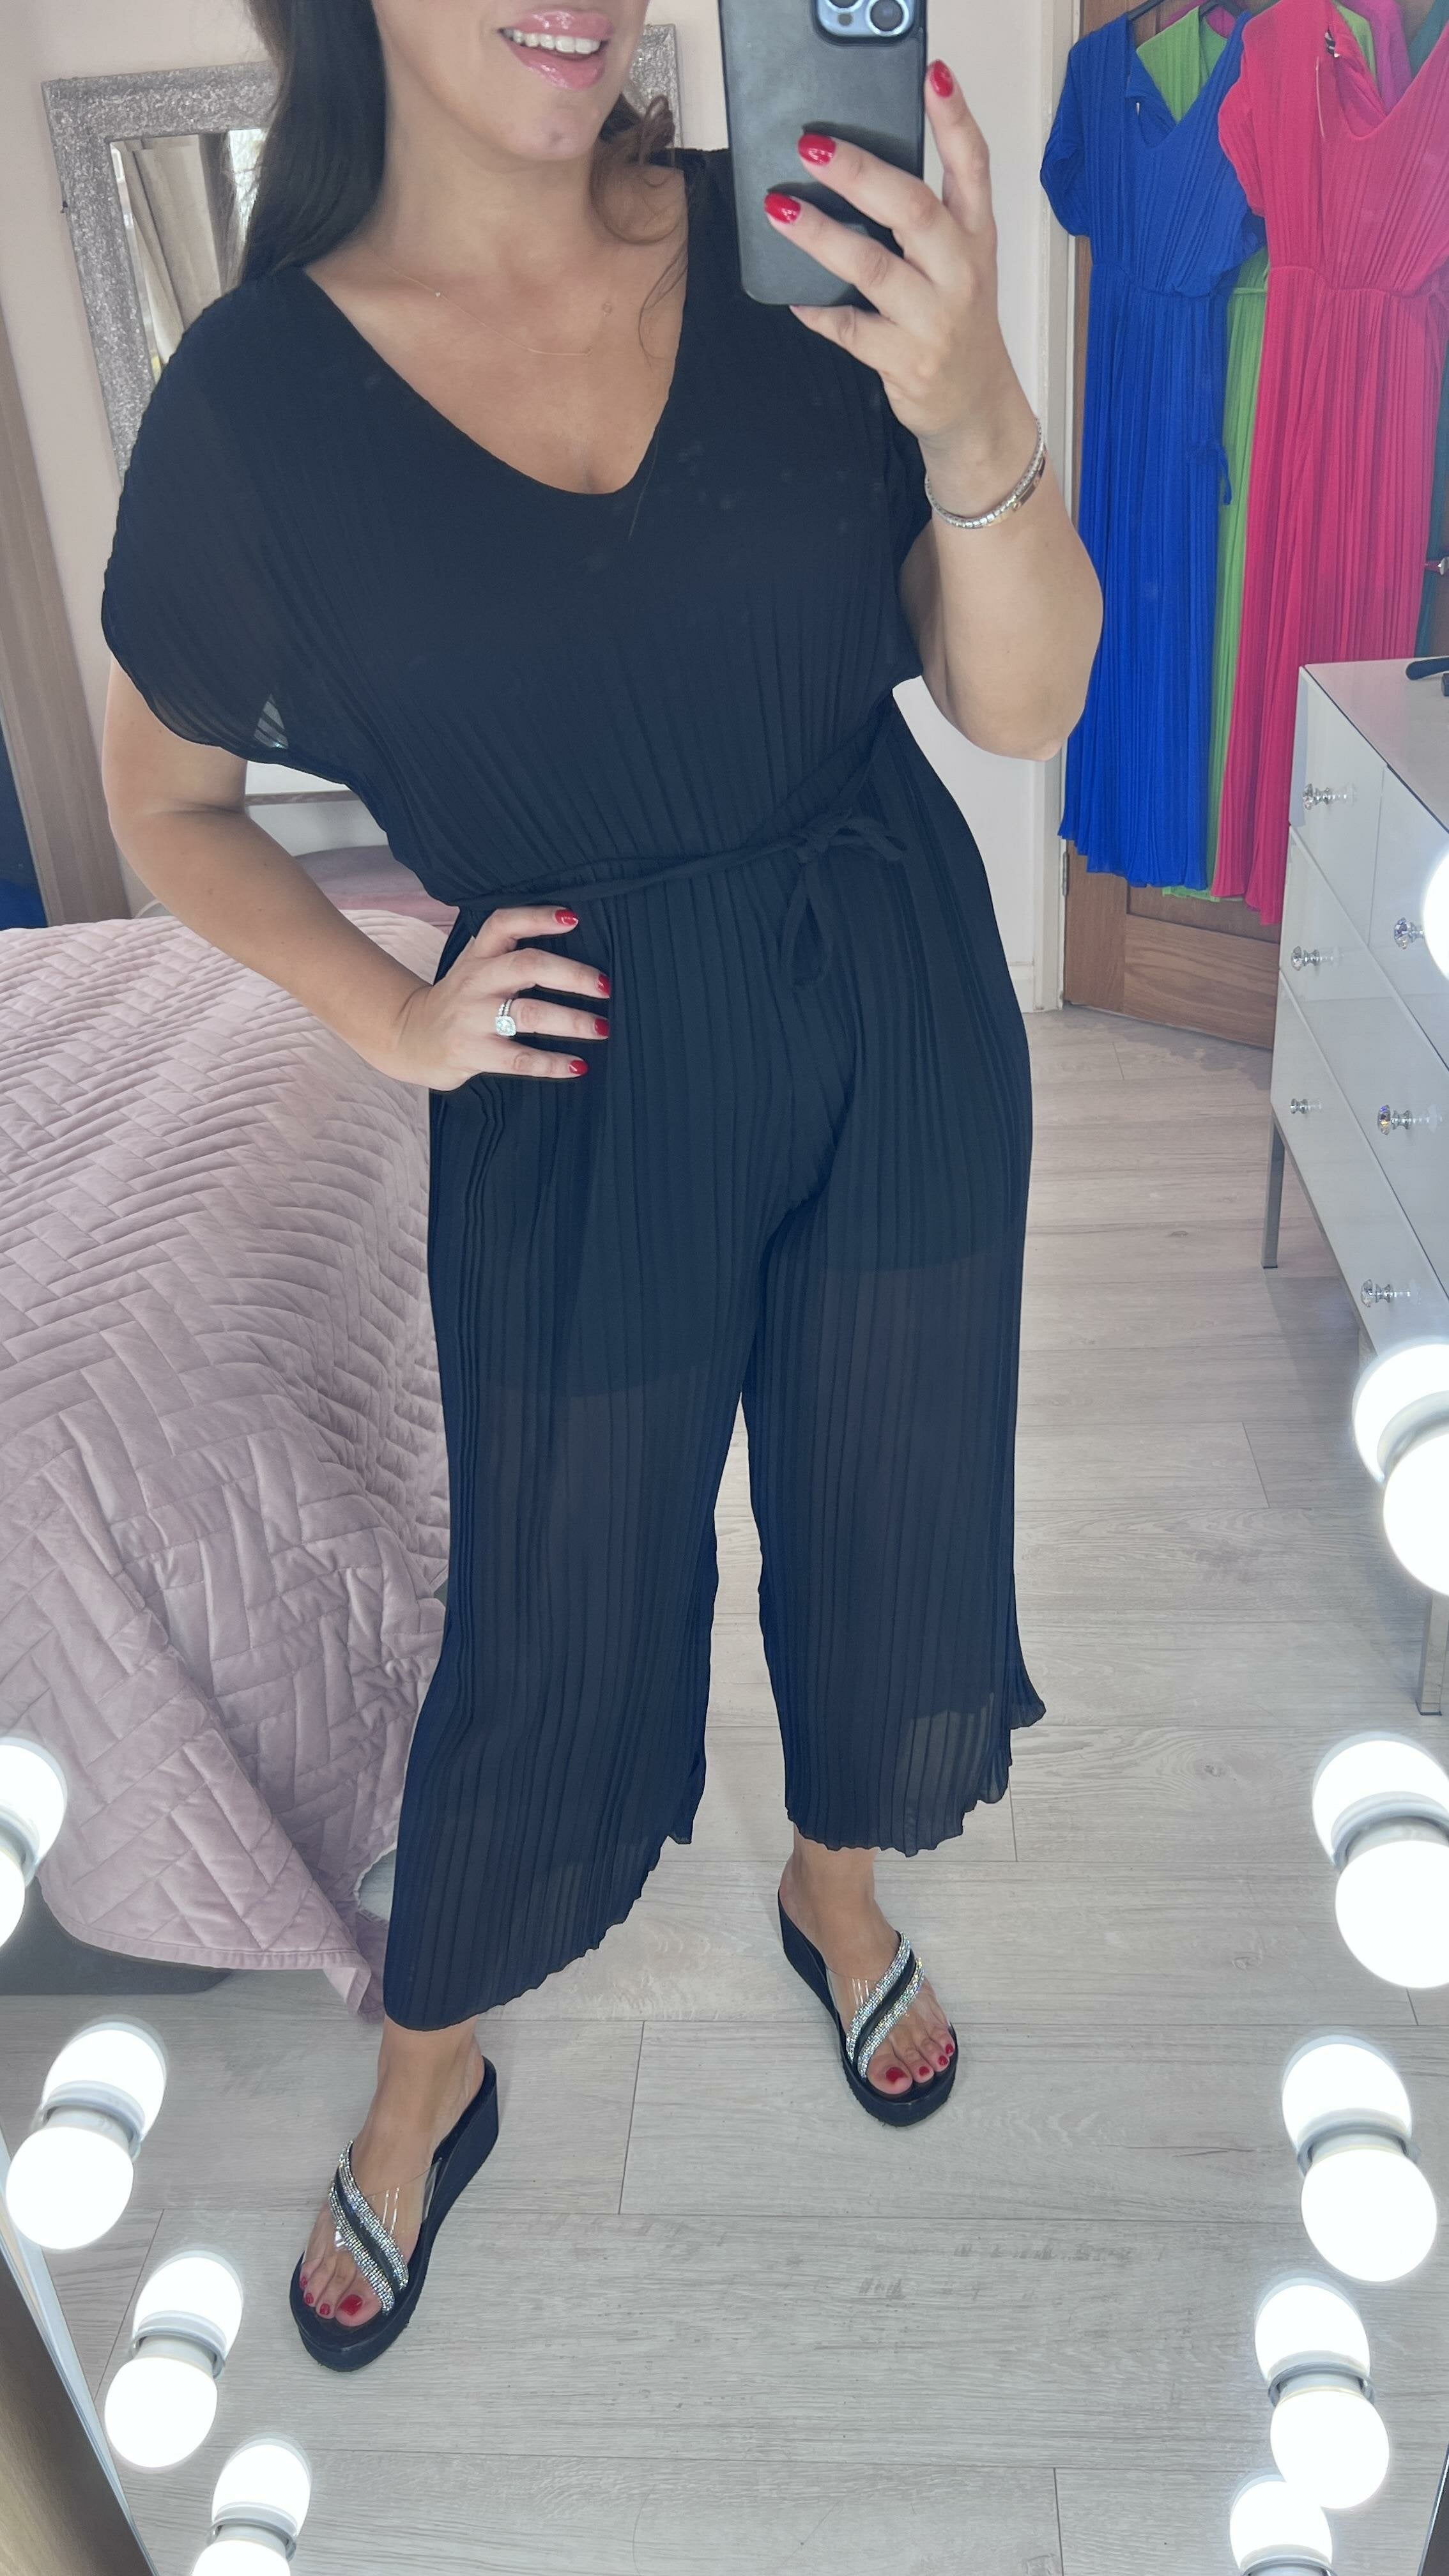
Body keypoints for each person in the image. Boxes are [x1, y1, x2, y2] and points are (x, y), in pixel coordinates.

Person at [100, 0, 1101, 2368]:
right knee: (552, 1609)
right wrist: (392, 1018)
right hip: (574, 1076)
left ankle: (833, 1890)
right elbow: (166, 805)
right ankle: (428, 2063)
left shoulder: (795, 249)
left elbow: (1024, 703)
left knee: (886, 1506)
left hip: (891, 997)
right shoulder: (251, 407)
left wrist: (972, 402)